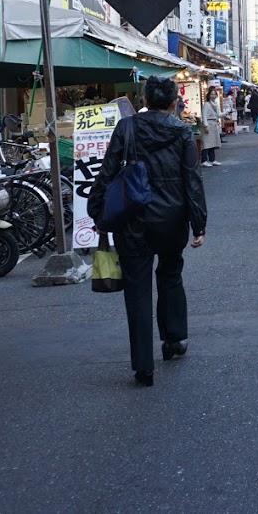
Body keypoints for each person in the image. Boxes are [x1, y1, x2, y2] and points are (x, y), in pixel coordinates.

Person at [88, 76, 207, 387]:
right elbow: (192, 180)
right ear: (172, 103)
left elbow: (108, 171)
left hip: (133, 220)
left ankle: (143, 366)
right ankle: (174, 341)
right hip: (171, 219)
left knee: (137, 290)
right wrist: (199, 224)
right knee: (170, 276)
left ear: (144, 100)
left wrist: (96, 211)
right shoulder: (182, 131)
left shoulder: (126, 128)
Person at [201, 85, 222, 167]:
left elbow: (219, 115)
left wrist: (226, 112)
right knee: (206, 143)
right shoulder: (206, 104)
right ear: (209, 95)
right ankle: (204, 160)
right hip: (209, 125)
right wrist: (205, 126)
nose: (213, 96)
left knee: (212, 143)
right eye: (212, 94)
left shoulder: (215, 104)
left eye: (214, 94)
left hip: (214, 125)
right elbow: (204, 116)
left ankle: (212, 159)